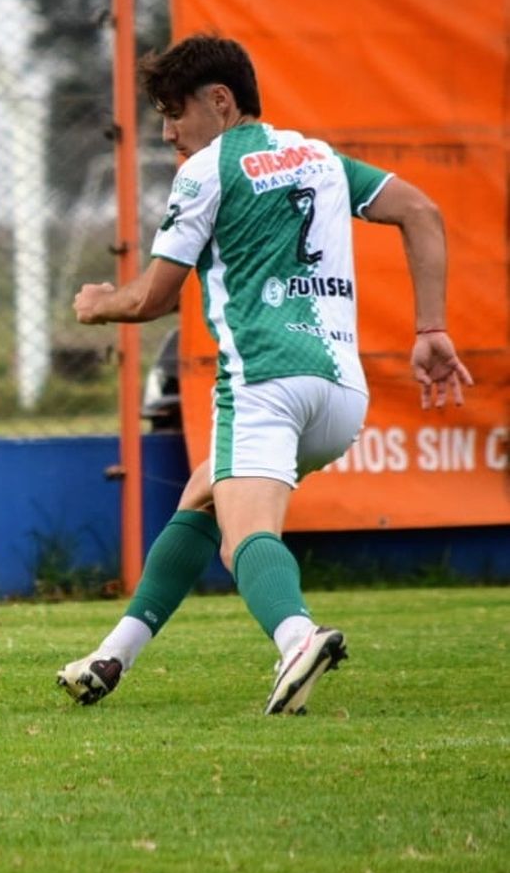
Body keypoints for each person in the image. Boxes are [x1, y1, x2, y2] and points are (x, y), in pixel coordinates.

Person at [56, 35, 473, 715]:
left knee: (244, 536)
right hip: (339, 394)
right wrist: (431, 329)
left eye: (173, 112)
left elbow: (152, 298)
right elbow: (422, 212)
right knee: (201, 498)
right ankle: (112, 655)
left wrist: (100, 303)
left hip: (263, 383)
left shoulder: (207, 169)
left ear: (219, 102)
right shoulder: (320, 157)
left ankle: (297, 638)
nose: (167, 132)